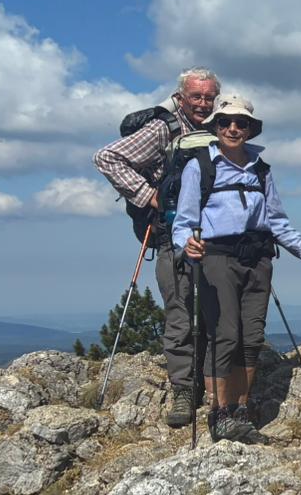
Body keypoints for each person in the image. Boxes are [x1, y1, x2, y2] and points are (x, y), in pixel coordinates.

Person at [173, 95, 301, 442]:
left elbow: (277, 221)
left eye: (241, 123)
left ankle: (241, 411)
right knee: (224, 333)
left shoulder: (261, 169)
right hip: (216, 257)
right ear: (215, 127)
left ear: (250, 129)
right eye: (225, 122)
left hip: (258, 259)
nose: (232, 128)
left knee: (252, 337)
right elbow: (184, 221)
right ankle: (219, 413)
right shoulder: (200, 167)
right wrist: (187, 244)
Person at [93, 67, 221, 427]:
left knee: (216, 310)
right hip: (171, 235)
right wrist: (151, 196)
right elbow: (107, 157)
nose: (203, 103)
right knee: (180, 311)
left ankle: (215, 386)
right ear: (180, 97)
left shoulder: (218, 127)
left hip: (214, 235)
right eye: (196, 96)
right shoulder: (163, 128)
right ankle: (184, 390)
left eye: (209, 97)